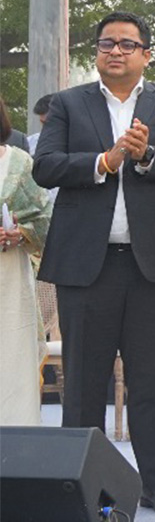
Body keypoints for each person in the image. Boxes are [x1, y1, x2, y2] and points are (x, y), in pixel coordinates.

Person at [34, 12, 155, 512]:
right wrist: (103, 163)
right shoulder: (69, 103)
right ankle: (83, 487)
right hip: (87, 267)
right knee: (84, 384)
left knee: (150, 381)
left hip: (153, 267)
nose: (115, 51)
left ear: (146, 54)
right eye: (107, 43)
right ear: (97, 53)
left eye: (127, 44)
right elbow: (45, 167)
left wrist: (147, 155)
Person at [0, 94, 52, 424]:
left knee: (11, 354)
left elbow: (45, 217)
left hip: (9, 278)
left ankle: (14, 437)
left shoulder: (19, 162)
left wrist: (19, 233)